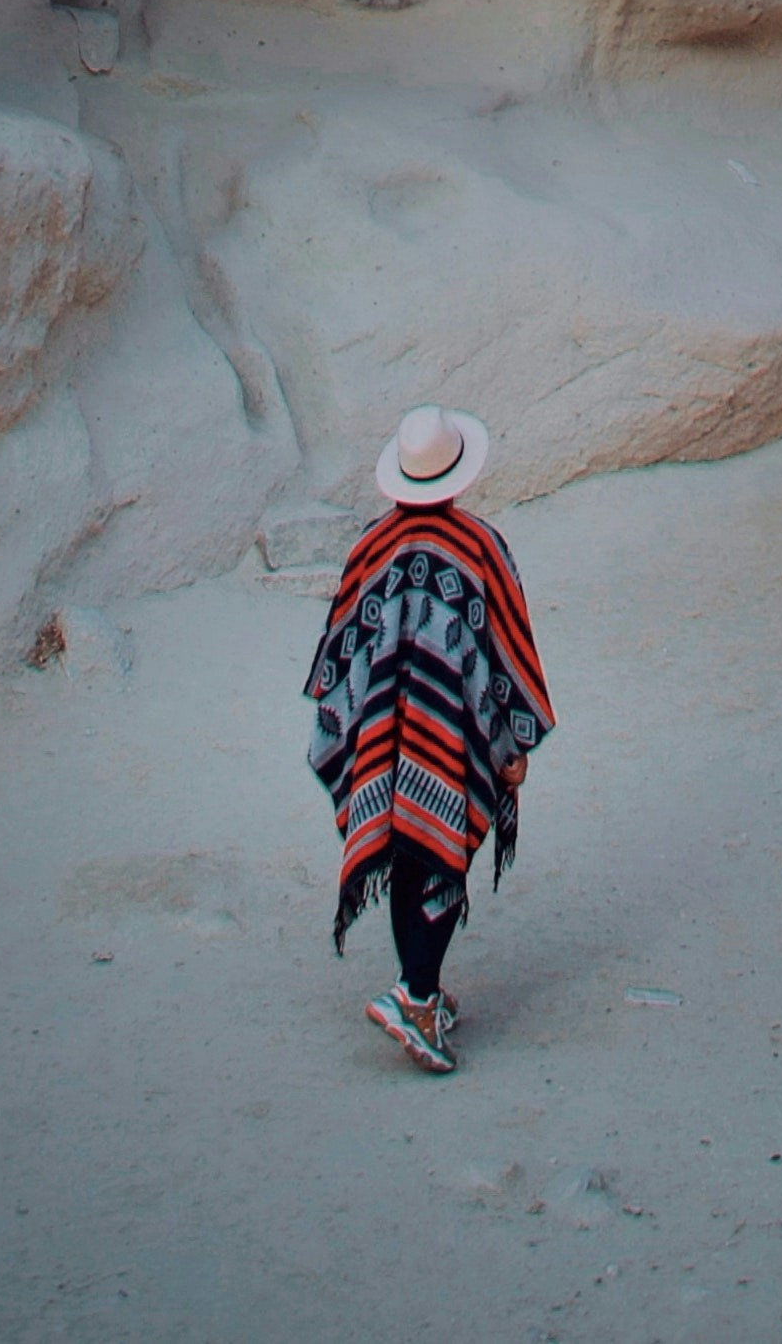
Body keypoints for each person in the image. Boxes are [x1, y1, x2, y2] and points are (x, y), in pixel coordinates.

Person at [302, 401, 555, 1074]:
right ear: (458, 475)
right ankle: (412, 996)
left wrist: (356, 735)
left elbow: (341, 655)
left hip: (382, 740)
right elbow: (506, 656)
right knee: (439, 853)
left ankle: (424, 988)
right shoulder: (481, 548)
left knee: (404, 848)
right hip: (453, 740)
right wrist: (512, 749)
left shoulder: (369, 547)